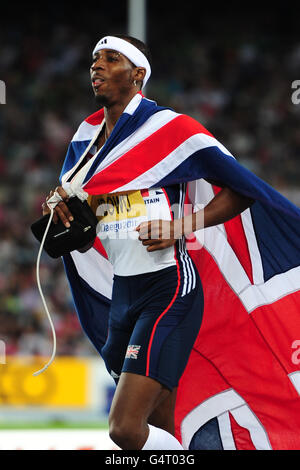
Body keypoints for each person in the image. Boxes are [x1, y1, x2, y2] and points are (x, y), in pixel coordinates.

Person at [42, 35, 254, 450]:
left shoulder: (170, 129)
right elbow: (86, 231)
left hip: (169, 287)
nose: (97, 65)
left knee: (124, 427)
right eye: (94, 58)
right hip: (122, 293)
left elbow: (242, 189)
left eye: (111, 58)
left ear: (138, 75)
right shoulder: (85, 141)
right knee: (164, 424)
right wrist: (61, 211)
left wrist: (180, 227)